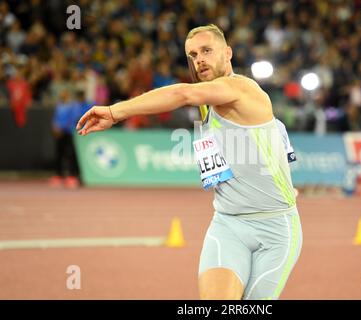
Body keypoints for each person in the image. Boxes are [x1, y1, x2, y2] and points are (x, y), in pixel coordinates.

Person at [77, 24, 302, 300]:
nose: (199, 60)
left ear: (228, 52)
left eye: (207, 51)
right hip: (228, 224)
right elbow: (274, 136)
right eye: (193, 55)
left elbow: (182, 94)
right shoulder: (207, 100)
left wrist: (114, 112)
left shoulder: (242, 88)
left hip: (275, 229)